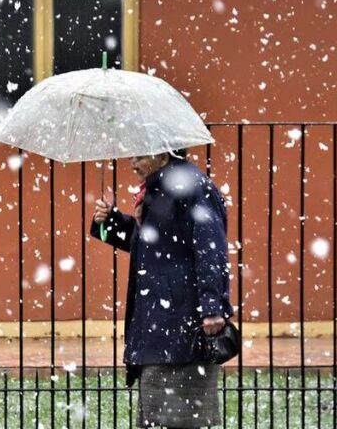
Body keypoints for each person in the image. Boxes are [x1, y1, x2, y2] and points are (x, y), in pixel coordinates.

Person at [90, 149, 233, 428]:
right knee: (157, 418)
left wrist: (212, 307)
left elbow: (210, 249)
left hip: (181, 322)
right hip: (160, 321)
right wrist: (110, 221)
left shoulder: (194, 188)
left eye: (140, 156)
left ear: (164, 154)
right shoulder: (158, 189)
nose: (132, 163)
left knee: (179, 418)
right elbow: (150, 243)